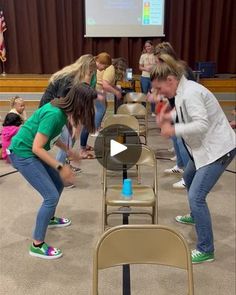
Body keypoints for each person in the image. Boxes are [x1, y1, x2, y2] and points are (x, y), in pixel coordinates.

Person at [151, 54, 236, 264]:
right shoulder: (181, 91)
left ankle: (206, 249)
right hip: (202, 150)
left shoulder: (191, 93)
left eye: (160, 88)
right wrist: (168, 116)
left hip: (218, 150)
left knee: (196, 196)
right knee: (188, 176)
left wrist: (173, 128)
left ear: (170, 80)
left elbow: (201, 124)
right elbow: (182, 112)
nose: (159, 93)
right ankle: (194, 215)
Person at [8, 83, 97, 259]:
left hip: (29, 151)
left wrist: (69, 150)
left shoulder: (62, 109)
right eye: (89, 105)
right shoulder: (55, 114)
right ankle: (37, 245)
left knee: (57, 183)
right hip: (23, 153)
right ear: (80, 103)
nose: (91, 109)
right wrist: (60, 166)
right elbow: (37, 148)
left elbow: (51, 136)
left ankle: (50, 218)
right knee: (51, 196)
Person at [39, 55, 97, 170]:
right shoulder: (68, 78)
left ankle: (64, 165)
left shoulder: (75, 77)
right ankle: (60, 172)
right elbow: (63, 102)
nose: (90, 76)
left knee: (69, 140)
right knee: (67, 140)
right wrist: (73, 123)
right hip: (51, 110)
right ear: (84, 68)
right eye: (90, 73)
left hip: (58, 109)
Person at [154, 42, 195, 189]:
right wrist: (165, 108)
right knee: (176, 139)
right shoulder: (169, 70)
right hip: (176, 107)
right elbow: (172, 97)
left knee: (181, 141)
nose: (157, 63)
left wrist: (169, 113)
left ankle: (187, 176)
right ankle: (180, 164)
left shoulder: (180, 69)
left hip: (185, 110)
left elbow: (182, 95)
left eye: (159, 59)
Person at [1, 96, 26, 162]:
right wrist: (24, 117)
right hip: (12, 156)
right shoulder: (16, 126)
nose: (23, 108)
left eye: (24, 105)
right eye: (21, 106)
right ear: (15, 106)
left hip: (7, 154)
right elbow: (25, 126)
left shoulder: (7, 128)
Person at [139, 40, 156, 116]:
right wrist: (146, 69)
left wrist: (153, 68)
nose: (147, 48)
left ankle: (153, 111)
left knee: (153, 94)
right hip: (144, 77)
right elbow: (140, 67)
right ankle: (143, 110)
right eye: (146, 46)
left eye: (149, 46)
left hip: (153, 77)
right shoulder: (143, 56)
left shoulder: (156, 55)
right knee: (144, 94)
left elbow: (159, 66)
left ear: (152, 46)